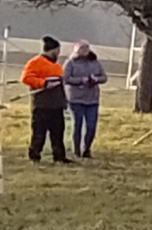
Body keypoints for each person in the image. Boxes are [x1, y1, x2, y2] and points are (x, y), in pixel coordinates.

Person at [20, 36, 67, 164]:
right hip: (41, 105)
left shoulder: (57, 66)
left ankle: (59, 156)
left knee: (58, 133)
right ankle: (35, 155)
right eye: (57, 51)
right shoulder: (35, 63)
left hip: (56, 105)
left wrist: (63, 101)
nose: (58, 54)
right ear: (52, 50)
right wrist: (43, 83)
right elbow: (26, 78)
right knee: (39, 132)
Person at [60, 41, 105, 159]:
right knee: (77, 125)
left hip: (92, 99)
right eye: (82, 48)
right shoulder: (70, 63)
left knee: (91, 126)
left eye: (87, 48)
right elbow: (65, 78)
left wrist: (96, 79)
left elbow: (104, 77)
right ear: (76, 50)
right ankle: (76, 150)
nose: (85, 50)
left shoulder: (95, 62)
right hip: (76, 99)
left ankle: (87, 149)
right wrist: (80, 80)